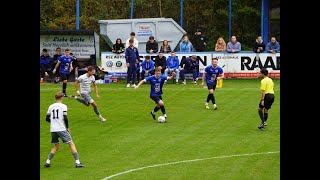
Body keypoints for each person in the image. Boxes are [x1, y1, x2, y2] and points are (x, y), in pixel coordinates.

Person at [44, 92, 85, 168]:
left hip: (53, 129)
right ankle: (77, 163)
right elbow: (65, 117)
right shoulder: (63, 106)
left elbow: (47, 119)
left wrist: (53, 122)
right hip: (61, 128)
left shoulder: (50, 106)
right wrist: (67, 127)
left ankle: (47, 161)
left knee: (56, 146)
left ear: (55, 98)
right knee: (71, 143)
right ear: (62, 98)